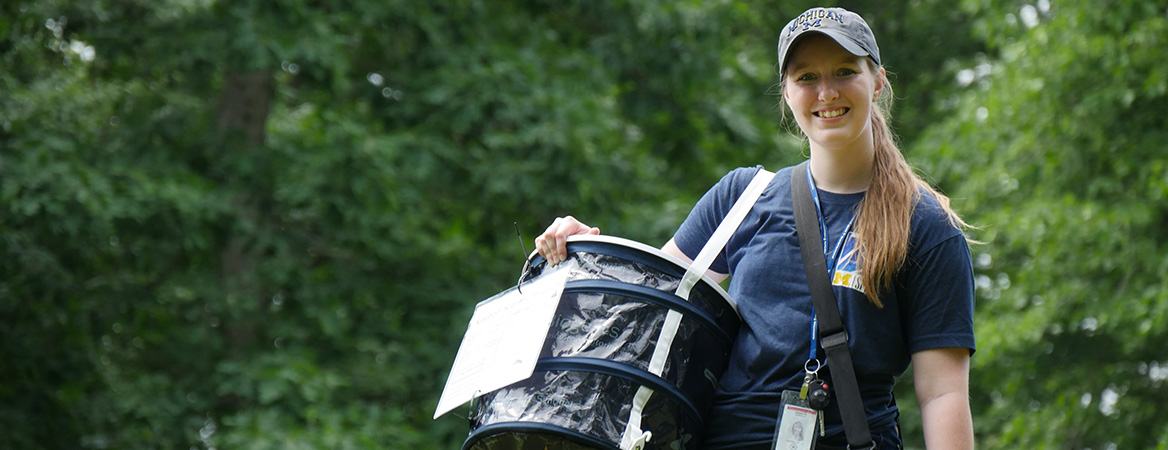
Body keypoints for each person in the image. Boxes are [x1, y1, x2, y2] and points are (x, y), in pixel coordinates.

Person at [535, 6, 975, 450]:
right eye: (806, 78)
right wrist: (589, 256)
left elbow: (943, 393)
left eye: (844, 71)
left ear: (877, 81)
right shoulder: (742, 198)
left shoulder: (925, 225)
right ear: (785, 93)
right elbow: (651, 311)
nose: (826, 92)